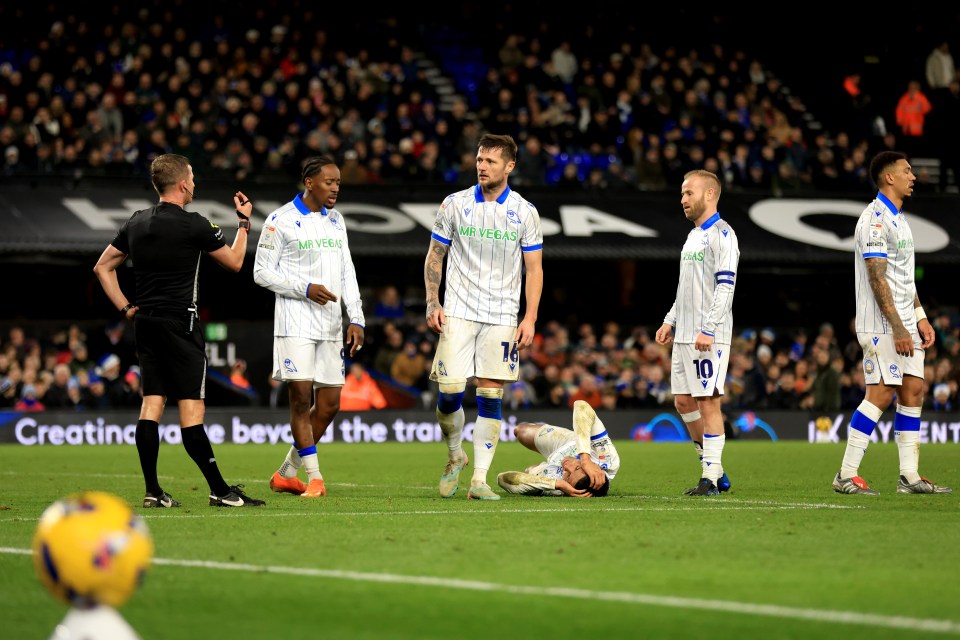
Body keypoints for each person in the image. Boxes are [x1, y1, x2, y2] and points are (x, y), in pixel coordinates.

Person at [92, 153, 265, 508]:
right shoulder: (194, 224)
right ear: (183, 184)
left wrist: (126, 307)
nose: (195, 184)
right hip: (181, 325)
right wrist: (244, 224)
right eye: (193, 178)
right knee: (191, 411)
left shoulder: (136, 222)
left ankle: (153, 491)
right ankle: (221, 491)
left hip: (146, 323)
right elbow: (234, 262)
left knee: (151, 405)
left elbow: (102, 267)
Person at [425, 133, 556, 501]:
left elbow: (534, 269)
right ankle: (455, 456)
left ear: (509, 166)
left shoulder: (525, 213)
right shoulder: (454, 204)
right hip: (459, 312)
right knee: (449, 393)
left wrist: (529, 318)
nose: (482, 166)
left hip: (501, 315)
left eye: (491, 161)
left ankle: (479, 480)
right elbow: (435, 256)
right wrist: (432, 301)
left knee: (490, 394)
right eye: (480, 160)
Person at [832, 151, 951, 495]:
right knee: (882, 393)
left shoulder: (900, 219)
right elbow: (877, 278)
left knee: (913, 391)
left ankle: (909, 477)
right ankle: (846, 474)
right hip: (882, 323)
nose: (913, 176)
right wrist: (899, 326)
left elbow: (903, 279)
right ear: (889, 178)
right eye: (907, 170)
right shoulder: (875, 221)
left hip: (905, 322)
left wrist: (920, 317)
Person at [253, 155, 365, 499]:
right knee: (301, 399)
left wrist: (356, 316)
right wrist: (304, 289)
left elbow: (347, 270)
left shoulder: (336, 221)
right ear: (310, 182)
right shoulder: (279, 221)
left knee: (330, 404)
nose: (335, 188)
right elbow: (261, 272)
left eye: (338, 183)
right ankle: (315, 479)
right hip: (295, 324)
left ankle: (287, 472)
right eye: (329, 182)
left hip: (331, 326)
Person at [655, 169, 739, 496]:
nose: (683, 200)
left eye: (688, 193)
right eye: (681, 194)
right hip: (685, 334)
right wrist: (670, 320)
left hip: (708, 335)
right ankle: (714, 467)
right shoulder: (693, 236)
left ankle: (710, 479)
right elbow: (685, 288)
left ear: (709, 194)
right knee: (683, 401)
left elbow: (725, 286)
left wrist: (709, 327)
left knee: (708, 402)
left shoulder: (723, 235)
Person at [497, 400, 619, 497]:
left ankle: (540, 468)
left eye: (568, 476)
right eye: (577, 467)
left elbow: (503, 479)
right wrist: (585, 459)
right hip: (570, 443)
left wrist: (557, 484)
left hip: (552, 470)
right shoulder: (606, 457)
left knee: (530, 472)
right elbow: (581, 405)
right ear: (594, 468)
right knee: (521, 431)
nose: (566, 467)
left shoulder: (560, 489)